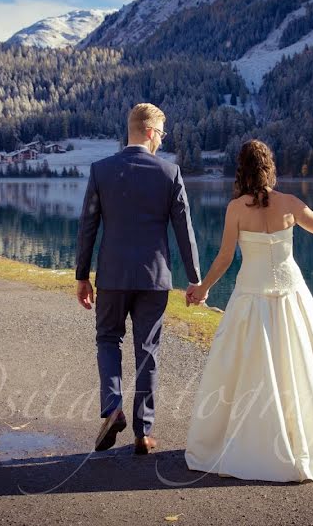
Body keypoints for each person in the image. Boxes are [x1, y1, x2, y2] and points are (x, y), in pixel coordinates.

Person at [183, 139, 313, 481]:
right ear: (270, 168)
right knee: (298, 365)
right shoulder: (290, 203)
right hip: (290, 295)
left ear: (241, 170)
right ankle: (304, 440)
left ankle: (248, 442)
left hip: (250, 295)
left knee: (246, 367)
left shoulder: (235, 208)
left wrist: (202, 288)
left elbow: (224, 259)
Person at [75, 102, 202, 455]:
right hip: (153, 278)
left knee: (107, 339)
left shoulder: (101, 171)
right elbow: (184, 231)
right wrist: (195, 279)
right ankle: (143, 433)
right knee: (148, 351)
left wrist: (82, 276)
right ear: (149, 132)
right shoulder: (169, 174)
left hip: (113, 275)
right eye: (161, 133)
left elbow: (87, 226)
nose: (162, 140)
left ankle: (112, 407)